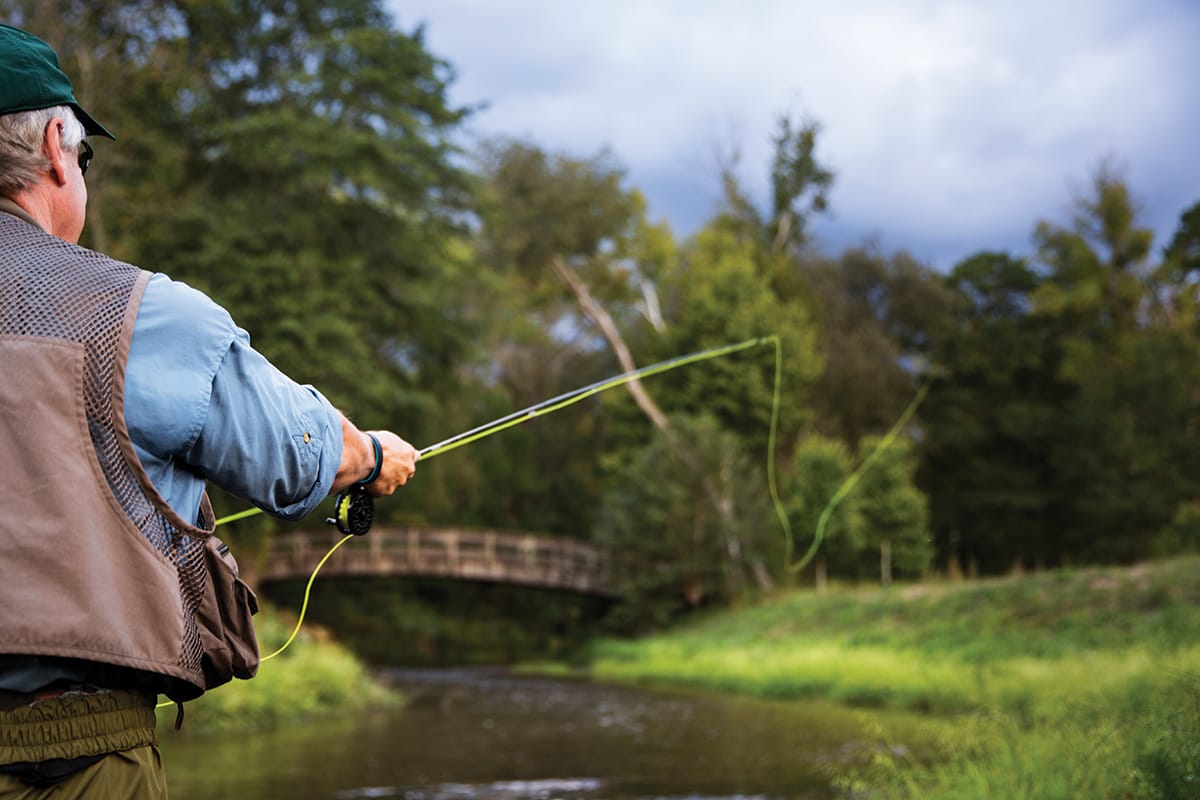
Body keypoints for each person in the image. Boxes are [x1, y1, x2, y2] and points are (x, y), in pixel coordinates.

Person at [0, 23, 419, 798]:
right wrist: (370, 455)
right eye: (84, 158)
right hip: (74, 758)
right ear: (57, 148)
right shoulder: (137, 314)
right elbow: (299, 452)